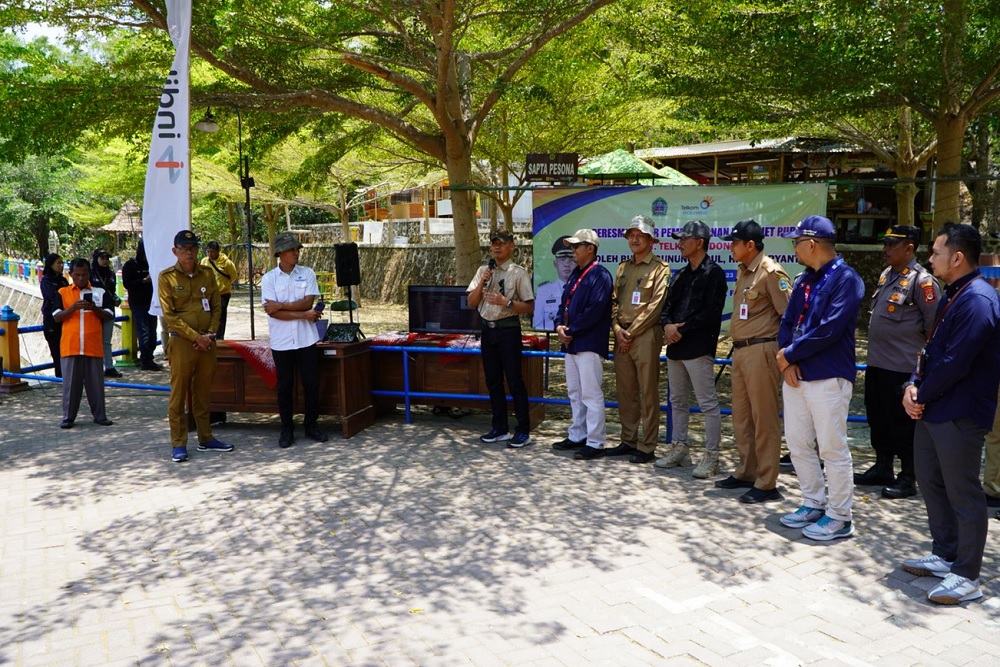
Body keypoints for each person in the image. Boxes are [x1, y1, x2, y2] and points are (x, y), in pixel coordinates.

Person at [901, 223, 1000, 605]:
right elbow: (930, 350)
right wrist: (911, 385)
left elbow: (956, 362)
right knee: (931, 481)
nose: (930, 258)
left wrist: (919, 393)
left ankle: (967, 574)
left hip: (958, 412)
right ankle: (945, 553)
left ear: (957, 257)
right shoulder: (953, 293)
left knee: (963, 492)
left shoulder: (978, 300)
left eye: (936, 252)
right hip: (933, 407)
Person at [776, 215, 864, 541]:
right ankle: (813, 502)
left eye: (797, 242)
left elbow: (829, 328)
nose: (794, 248)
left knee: (832, 449)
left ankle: (840, 516)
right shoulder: (803, 280)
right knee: (798, 443)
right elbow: (787, 322)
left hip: (828, 375)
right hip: (797, 375)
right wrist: (785, 361)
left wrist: (789, 355)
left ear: (811, 244)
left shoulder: (847, 279)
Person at [856, 225, 939, 499]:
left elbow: (934, 329)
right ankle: (883, 466)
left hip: (903, 368)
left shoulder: (923, 282)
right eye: (886, 243)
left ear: (910, 248)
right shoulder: (886, 276)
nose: (886, 249)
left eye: (892, 244)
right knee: (878, 418)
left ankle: (908, 476)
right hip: (878, 363)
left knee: (903, 424)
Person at [715, 220, 792, 503]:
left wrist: (786, 356)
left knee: (764, 418)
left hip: (762, 351)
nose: (730, 247)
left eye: (734, 243)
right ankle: (747, 471)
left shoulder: (771, 272)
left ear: (750, 245)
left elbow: (789, 316)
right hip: (742, 351)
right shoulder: (743, 271)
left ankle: (767, 482)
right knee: (742, 417)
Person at [654, 220, 727, 478]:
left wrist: (678, 330)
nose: (680, 243)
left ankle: (711, 456)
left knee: (708, 404)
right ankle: (680, 449)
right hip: (676, 348)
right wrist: (667, 327)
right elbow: (666, 308)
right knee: (677, 401)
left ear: (700, 243)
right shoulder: (680, 275)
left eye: (685, 239)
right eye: (679, 239)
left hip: (698, 347)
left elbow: (710, 313)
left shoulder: (714, 273)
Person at [159, 229, 233, 462]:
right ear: (175, 251)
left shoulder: (207, 274)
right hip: (182, 343)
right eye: (184, 249)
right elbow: (169, 315)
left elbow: (216, 305)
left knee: (203, 392)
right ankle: (179, 443)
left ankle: (206, 437)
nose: (189, 252)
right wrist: (195, 337)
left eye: (193, 248)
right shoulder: (166, 277)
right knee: (179, 394)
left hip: (207, 342)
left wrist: (210, 333)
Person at [605, 216, 670, 464]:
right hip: (622, 335)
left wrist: (630, 333)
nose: (634, 239)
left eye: (639, 235)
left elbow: (656, 307)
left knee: (648, 392)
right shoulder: (623, 267)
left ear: (651, 240)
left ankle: (647, 445)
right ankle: (628, 439)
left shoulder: (661, 269)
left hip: (644, 337)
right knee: (626, 391)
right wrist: (617, 328)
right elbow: (613, 302)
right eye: (631, 235)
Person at [466, 229, 536, 448]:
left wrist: (506, 302)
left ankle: (523, 430)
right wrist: (482, 282)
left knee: (514, 381)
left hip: (508, 331)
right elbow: (471, 302)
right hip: (487, 331)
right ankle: (500, 428)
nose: (497, 247)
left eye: (502, 243)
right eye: (494, 243)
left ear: (512, 246)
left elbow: (529, 306)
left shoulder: (518, 273)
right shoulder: (483, 271)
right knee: (492, 381)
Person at [261, 231, 328, 449]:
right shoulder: (269, 278)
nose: (296, 252)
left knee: (311, 384)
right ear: (280, 253)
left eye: (297, 249)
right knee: (285, 387)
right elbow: (273, 313)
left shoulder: (307, 273)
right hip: (281, 341)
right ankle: (286, 429)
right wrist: (300, 314)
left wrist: (281, 304)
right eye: (292, 249)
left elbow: (307, 303)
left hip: (306, 339)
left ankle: (311, 426)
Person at [550, 229, 613, 461]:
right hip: (571, 343)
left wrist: (571, 330)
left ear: (590, 249)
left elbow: (595, 310)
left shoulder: (601, 275)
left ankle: (596, 442)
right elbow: (563, 305)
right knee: (574, 392)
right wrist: (559, 326)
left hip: (588, 343)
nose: (573, 251)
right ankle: (578, 434)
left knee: (591, 394)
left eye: (577, 246)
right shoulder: (577, 274)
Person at [50, 258, 114, 428]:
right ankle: (68, 417)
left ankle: (100, 416)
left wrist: (94, 308)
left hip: (93, 345)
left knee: (96, 385)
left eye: (84, 274)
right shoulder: (62, 293)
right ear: (70, 274)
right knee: (71, 384)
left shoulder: (100, 292)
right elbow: (56, 317)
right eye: (76, 274)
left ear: (89, 274)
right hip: (71, 345)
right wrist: (73, 308)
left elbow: (109, 315)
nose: (80, 278)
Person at [121, 240, 163, 371]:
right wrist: (143, 281)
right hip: (138, 304)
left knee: (152, 333)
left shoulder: (153, 264)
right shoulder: (130, 265)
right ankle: (146, 360)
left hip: (152, 303)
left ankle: (149, 357)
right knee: (144, 332)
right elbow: (127, 284)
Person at [90, 249, 122, 378]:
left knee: (106, 341)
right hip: (93, 311)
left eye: (106, 258)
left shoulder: (110, 274)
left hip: (108, 311)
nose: (105, 261)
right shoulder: (91, 274)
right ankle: (94, 368)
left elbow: (112, 290)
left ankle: (109, 367)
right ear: (96, 259)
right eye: (102, 258)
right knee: (93, 339)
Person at [532, 235, 575, 331]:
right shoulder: (543, 291)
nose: (566, 264)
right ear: (555, 263)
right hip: (551, 340)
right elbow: (538, 325)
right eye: (562, 260)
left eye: (571, 260)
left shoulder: (583, 288)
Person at [40, 253, 69, 378]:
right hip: (51, 320)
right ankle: (60, 378)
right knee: (56, 352)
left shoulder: (63, 280)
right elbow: (53, 298)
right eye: (58, 263)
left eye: (62, 263)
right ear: (51, 265)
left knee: (66, 351)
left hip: (65, 318)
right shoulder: (46, 281)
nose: (61, 265)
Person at [201, 241, 238, 339]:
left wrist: (224, 285)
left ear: (218, 251)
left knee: (221, 316)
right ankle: (209, 335)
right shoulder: (204, 261)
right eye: (208, 252)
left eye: (212, 252)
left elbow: (233, 276)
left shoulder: (227, 263)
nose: (210, 254)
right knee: (208, 314)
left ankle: (220, 337)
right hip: (208, 293)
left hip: (223, 293)